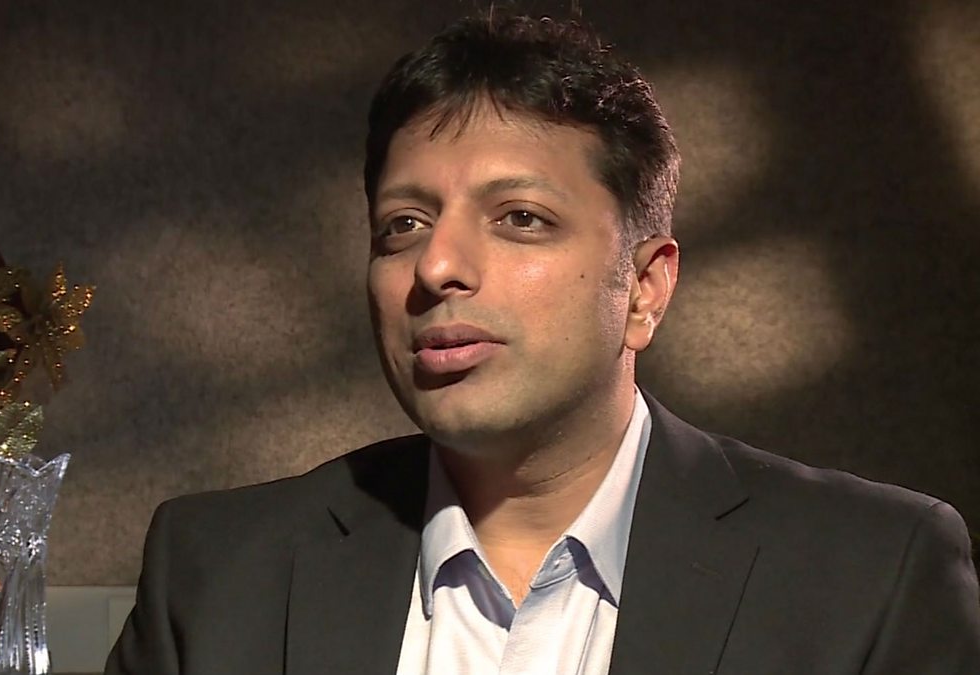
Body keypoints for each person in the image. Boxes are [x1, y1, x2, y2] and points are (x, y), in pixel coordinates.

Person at [105, 10, 980, 675]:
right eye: (403, 224)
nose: (437, 265)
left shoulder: (874, 574)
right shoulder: (217, 571)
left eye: (520, 217)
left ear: (646, 287)